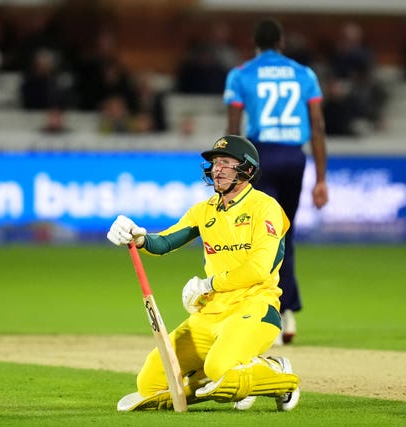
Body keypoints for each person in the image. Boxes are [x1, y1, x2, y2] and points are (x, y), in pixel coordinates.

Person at [107, 135, 300, 412]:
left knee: (219, 367)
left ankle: (276, 372)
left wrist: (209, 284)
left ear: (247, 169)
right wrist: (139, 238)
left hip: (255, 307)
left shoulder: (265, 207)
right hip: (210, 314)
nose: (216, 169)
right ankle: (232, 376)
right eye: (214, 163)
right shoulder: (204, 210)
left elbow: (258, 269)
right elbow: (165, 241)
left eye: (225, 163)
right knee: (149, 383)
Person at [223, 18, 328, 345]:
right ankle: (287, 312)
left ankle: (265, 313)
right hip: (295, 158)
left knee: (259, 235)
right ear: (281, 42)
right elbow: (318, 126)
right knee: (285, 231)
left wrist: (229, 170)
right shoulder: (304, 74)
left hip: (260, 157)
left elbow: (233, 128)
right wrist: (321, 179)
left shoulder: (241, 74)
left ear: (255, 43)